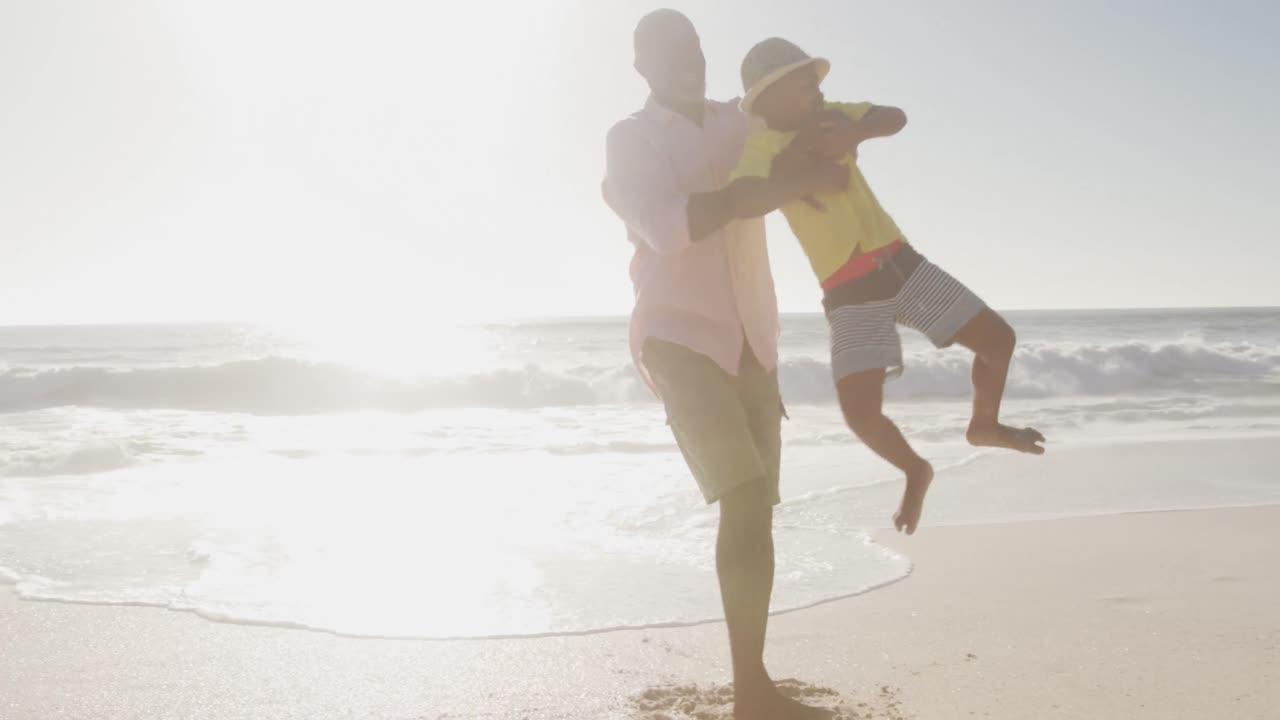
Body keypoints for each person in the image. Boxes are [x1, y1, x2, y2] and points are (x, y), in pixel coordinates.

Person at [601, 11, 847, 720]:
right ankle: (750, 696)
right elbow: (667, 225)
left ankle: (753, 682)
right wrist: (749, 195)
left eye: (697, 48)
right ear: (642, 65)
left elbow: (799, 142)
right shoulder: (631, 139)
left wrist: (827, 132)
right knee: (741, 496)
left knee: (758, 512)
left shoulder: (737, 123)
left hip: (752, 339)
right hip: (678, 340)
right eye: (672, 52)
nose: (690, 60)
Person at [728, 37, 1046, 536]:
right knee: (859, 413)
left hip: (901, 263)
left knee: (998, 340)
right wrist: (802, 177)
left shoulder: (835, 114)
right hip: (848, 287)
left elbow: (894, 116)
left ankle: (984, 425)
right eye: (805, 81)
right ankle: (914, 469)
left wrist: (853, 131)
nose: (816, 89)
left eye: (817, 81)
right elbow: (743, 197)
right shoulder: (762, 148)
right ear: (768, 95)